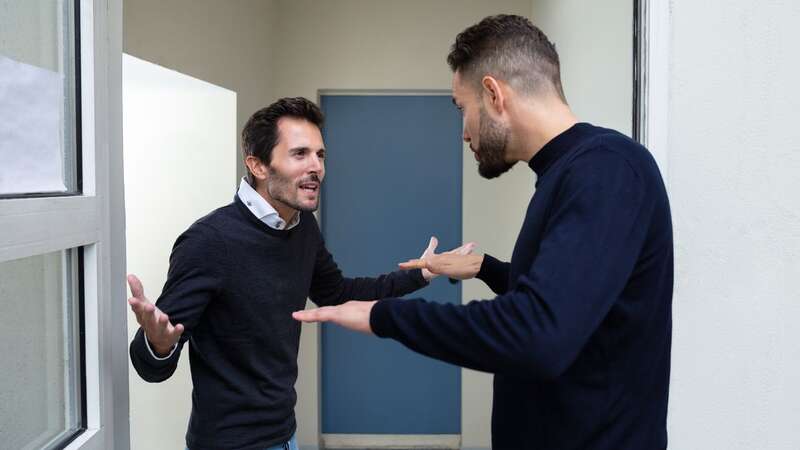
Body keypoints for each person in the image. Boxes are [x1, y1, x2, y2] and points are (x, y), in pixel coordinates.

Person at [293, 14, 673, 450]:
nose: (464, 133)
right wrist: (488, 269)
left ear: (493, 94)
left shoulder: (605, 170)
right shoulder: (572, 172)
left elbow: (539, 334)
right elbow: (579, 301)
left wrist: (384, 316)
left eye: (462, 109)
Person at [127, 97, 473, 450]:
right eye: (300, 154)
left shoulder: (301, 225)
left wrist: (421, 274)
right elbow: (151, 363)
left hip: (285, 434)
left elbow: (337, 293)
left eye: (320, 155)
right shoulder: (209, 241)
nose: (317, 167)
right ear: (258, 165)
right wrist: (159, 343)